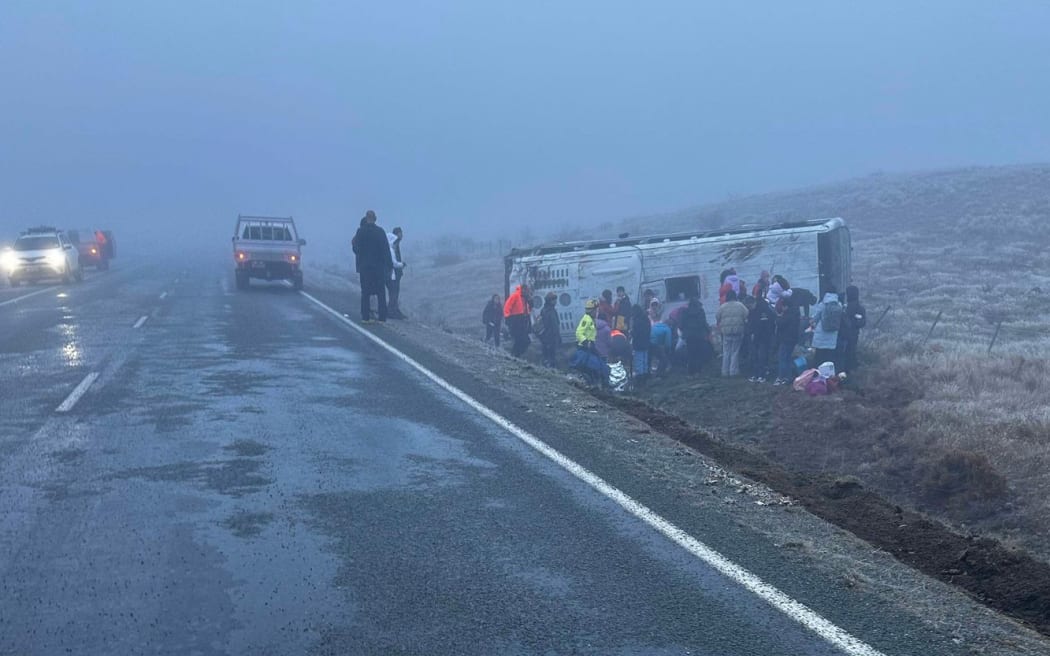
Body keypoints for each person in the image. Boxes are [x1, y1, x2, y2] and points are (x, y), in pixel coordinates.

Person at [352, 210, 394, 323]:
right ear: (375, 219)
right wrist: (390, 265)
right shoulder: (380, 232)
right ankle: (382, 318)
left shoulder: (360, 232)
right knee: (381, 292)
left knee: (365, 292)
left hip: (365, 267)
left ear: (366, 218)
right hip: (378, 267)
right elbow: (386, 250)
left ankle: (365, 317)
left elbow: (356, 249)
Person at [716, 290, 749, 376]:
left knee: (726, 351)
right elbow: (746, 315)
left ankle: (724, 371)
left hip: (726, 333)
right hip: (737, 331)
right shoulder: (740, 305)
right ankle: (733, 371)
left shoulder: (723, 307)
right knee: (735, 352)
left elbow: (717, 317)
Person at [746, 294, 777, 382]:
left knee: (762, 356)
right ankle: (756, 374)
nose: (749, 308)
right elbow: (750, 323)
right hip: (755, 337)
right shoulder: (752, 312)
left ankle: (762, 375)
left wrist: (768, 334)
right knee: (755, 356)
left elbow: (768, 323)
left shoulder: (765, 310)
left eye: (749, 306)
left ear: (753, 303)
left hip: (764, 337)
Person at [810, 288, 842, 368]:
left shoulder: (823, 304)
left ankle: (817, 375)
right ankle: (828, 377)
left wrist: (811, 321)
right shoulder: (839, 305)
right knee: (829, 359)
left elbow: (815, 318)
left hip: (821, 335)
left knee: (819, 358)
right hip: (832, 336)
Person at [773, 295, 802, 385]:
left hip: (785, 339)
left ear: (786, 306)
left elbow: (780, 324)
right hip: (792, 339)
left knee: (782, 358)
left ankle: (781, 377)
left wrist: (778, 316)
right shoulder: (795, 313)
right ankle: (788, 377)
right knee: (788, 358)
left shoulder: (787, 314)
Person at [838, 285, 867, 374]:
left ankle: (844, 371)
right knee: (851, 351)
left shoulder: (844, 307)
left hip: (843, 334)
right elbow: (862, 322)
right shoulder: (859, 308)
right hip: (853, 334)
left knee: (843, 353)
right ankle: (850, 370)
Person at [678, 297, 711, 375]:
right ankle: (698, 371)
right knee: (698, 353)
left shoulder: (685, 312)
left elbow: (681, 324)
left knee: (690, 354)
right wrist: (708, 331)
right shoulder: (700, 311)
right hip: (699, 335)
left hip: (689, 336)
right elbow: (703, 323)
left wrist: (684, 332)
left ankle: (691, 372)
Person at [504, 283, 533, 357]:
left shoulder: (526, 298)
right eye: (526, 290)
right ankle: (514, 355)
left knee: (524, 341)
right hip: (516, 320)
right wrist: (507, 318)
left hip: (523, 320)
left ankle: (515, 355)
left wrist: (530, 300)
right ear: (523, 289)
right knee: (520, 340)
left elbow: (530, 308)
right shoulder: (515, 295)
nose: (527, 292)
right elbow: (507, 306)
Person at [386, 227, 406, 319]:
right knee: (393, 292)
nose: (401, 235)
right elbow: (394, 262)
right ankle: (391, 311)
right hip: (393, 274)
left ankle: (394, 309)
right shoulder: (393, 247)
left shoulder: (395, 245)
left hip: (396, 273)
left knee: (395, 293)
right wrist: (401, 265)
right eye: (400, 233)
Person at [537, 292, 561, 367]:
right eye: (554, 300)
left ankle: (545, 366)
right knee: (552, 354)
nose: (555, 302)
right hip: (551, 337)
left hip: (544, 336)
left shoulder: (543, 310)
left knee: (545, 353)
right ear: (550, 301)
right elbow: (555, 326)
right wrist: (558, 337)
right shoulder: (551, 311)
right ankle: (551, 369)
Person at [630, 303, 651, 381]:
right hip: (646, 342)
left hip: (638, 344)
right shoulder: (646, 319)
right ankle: (645, 375)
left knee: (638, 361)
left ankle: (639, 377)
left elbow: (636, 333)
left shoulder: (637, 321)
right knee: (645, 360)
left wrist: (631, 332)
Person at [649, 310, 673, 376]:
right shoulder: (667, 329)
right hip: (655, 345)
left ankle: (648, 372)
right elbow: (668, 343)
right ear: (670, 325)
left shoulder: (655, 326)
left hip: (648, 344)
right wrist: (668, 351)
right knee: (663, 359)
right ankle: (660, 373)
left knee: (650, 358)